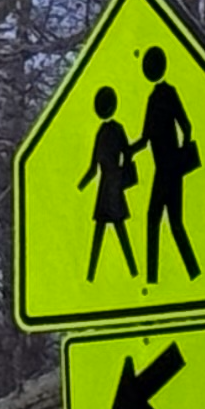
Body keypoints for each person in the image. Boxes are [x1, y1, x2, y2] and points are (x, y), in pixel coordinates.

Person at [138, 46, 200, 284]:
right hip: (164, 169)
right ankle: (180, 274)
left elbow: (185, 125)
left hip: (168, 170)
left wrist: (182, 153)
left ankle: (170, 276)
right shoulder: (154, 98)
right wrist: (127, 151)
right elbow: (146, 138)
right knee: (165, 221)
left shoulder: (165, 95)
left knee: (163, 221)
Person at [77, 86, 141, 281]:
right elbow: (126, 152)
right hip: (112, 185)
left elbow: (93, 168)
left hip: (106, 187)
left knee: (109, 231)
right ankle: (129, 272)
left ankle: (96, 275)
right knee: (113, 231)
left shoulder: (102, 132)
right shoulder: (114, 130)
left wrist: (81, 185)